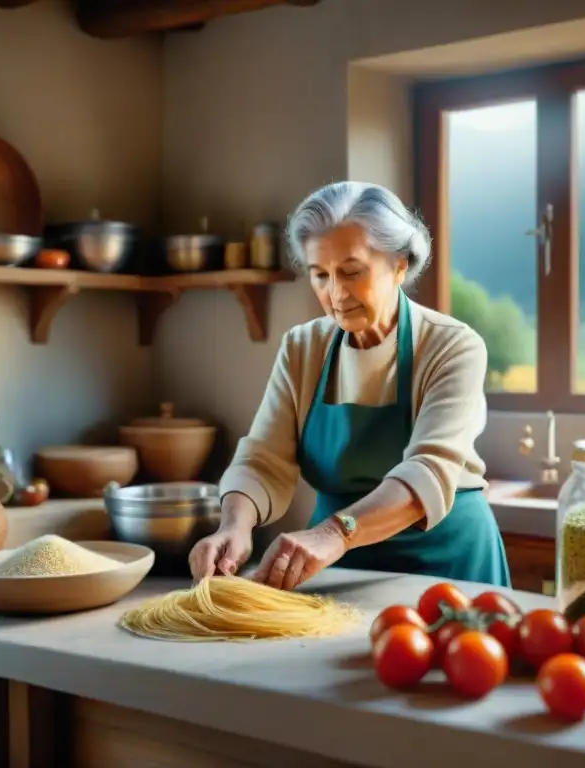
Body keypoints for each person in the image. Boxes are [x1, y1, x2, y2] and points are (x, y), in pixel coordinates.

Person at [188, 181, 510, 591]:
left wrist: (332, 534)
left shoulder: (453, 346)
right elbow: (262, 459)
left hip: (448, 565)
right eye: (320, 275)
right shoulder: (303, 348)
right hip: (337, 567)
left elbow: (429, 470)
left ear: (399, 265)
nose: (336, 294)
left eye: (351, 272)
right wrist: (233, 527)